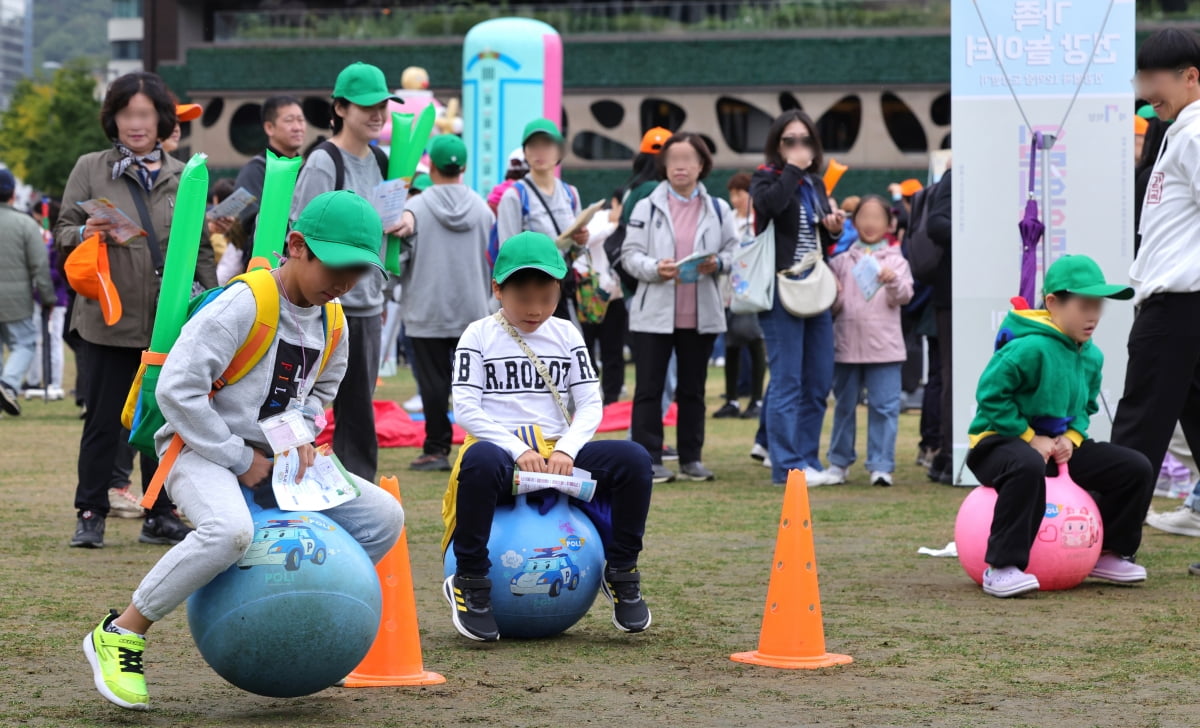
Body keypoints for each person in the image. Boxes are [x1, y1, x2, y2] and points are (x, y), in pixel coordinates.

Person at [81, 190, 404, 710]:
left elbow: (321, 394)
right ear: (297, 246)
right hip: (199, 446)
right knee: (229, 532)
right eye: (337, 267)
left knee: (384, 516)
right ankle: (121, 631)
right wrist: (240, 458)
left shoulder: (334, 320)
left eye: (360, 273)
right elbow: (177, 392)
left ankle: (316, 612)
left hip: (274, 459)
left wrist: (297, 436)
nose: (345, 283)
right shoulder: (244, 302)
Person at [441, 231, 653, 642]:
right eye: (523, 298)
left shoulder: (568, 334)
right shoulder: (478, 334)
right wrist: (518, 450)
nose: (536, 309)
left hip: (558, 458)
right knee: (480, 460)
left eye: (546, 296)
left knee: (633, 459)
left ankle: (622, 570)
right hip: (503, 457)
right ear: (497, 289)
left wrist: (569, 450)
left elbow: (591, 402)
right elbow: (466, 407)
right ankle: (470, 580)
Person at [56, 71, 217, 549]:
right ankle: (91, 511)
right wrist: (85, 234)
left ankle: (160, 511)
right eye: (127, 113)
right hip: (107, 320)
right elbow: (63, 228)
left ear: (161, 119)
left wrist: (211, 298)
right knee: (104, 422)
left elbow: (202, 248)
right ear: (114, 118)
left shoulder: (184, 173)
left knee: (163, 420)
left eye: (145, 114)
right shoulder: (90, 167)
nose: (135, 123)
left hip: (168, 324)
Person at [967, 256, 1153, 598]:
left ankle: (1109, 553)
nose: (1093, 315)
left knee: (1135, 468)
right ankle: (1002, 567)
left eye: (1098, 305)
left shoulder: (1091, 355)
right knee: (1026, 463)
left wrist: (1071, 437)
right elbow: (990, 397)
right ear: (1053, 302)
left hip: (1056, 449)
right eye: (1084, 305)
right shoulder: (1028, 347)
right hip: (996, 444)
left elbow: (1085, 408)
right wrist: (1028, 437)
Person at [290, 61, 404, 483]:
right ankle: (293, 484)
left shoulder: (381, 159)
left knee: (359, 408)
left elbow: (387, 219)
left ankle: (357, 491)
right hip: (324, 306)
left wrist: (405, 221)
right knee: (303, 401)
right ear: (339, 108)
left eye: (383, 106)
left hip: (366, 302)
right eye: (366, 106)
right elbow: (301, 232)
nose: (377, 115)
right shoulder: (323, 161)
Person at [1112, 29, 1200, 535]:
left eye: (1154, 80)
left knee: (1140, 424)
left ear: (1191, 77)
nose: (1146, 94)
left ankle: (1109, 542)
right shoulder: (1179, 131)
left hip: (1176, 308)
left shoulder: (1191, 134)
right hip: (1182, 305)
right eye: (1141, 80)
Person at [622, 133, 738, 484]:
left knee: (693, 389)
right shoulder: (646, 205)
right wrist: (656, 268)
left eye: (688, 159)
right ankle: (649, 458)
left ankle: (691, 457)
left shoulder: (718, 208)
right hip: (653, 314)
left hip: (699, 313)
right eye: (673, 160)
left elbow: (736, 253)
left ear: (702, 165)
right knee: (648, 388)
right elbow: (629, 255)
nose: (680, 166)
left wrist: (717, 263)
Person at [751, 110, 844, 487]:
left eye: (804, 140)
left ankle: (806, 459)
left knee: (818, 381)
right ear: (777, 144)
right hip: (780, 290)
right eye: (789, 140)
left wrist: (833, 229)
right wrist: (791, 169)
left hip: (814, 288)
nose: (798, 147)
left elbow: (820, 241)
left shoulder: (815, 184)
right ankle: (787, 466)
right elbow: (769, 207)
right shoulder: (766, 177)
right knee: (787, 380)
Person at [393, 134, 495, 472]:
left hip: (426, 309)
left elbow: (400, 258)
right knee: (478, 385)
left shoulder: (416, 208)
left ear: (431, 166)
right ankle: (483, 447)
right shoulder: (482, 209)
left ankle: (436, 449)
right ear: (463, 167)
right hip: (474, 310)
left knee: (433, 386)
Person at [825, 196, 914, 487]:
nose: (870, 223)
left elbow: (904, 297)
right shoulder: (840, 262)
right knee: (844, 406)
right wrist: (834, 293)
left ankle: (881, 465)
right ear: (853, 222)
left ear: (889, 224)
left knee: (885, 408)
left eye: (877, 217)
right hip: (847, 345)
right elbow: (833, 306)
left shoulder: (897, 261)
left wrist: (893, 281)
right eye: (864, 217)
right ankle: (839, 462)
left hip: (885, 347)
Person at [495, 118, 589, 320]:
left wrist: (581, 241)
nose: (540, 152)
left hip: (564, 289)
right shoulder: (515, 196)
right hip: (530, 292)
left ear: (559, 151)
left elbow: (577, 252)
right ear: (525, 152)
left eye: (546, 145)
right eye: (533, 146)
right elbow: (507, 252)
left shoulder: (570, 193)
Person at [0, 169, 55, 415]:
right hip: (16, 299)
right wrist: (47, 297)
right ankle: (8, 384)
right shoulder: (25, 224)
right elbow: (39, 266)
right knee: (24, 343)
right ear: (13, 193)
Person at [713, 172, 767, 421]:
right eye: (732, 193)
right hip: (728, 289)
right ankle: (732, 398)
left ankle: (756, 398)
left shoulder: (759, 220)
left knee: (754, 340)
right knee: (732, 343)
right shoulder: (729, 219)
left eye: (740, 193)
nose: (735, 199)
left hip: (751, 288)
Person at [231, 95, 308, 256]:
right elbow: (250, 223)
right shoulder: (255, 171)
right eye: (289, 120)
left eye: (301, 120)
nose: (297, 127)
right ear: (269, 128)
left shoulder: (307, 168)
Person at [579, 192, 628, 405]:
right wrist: (612, 225)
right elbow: (588, 239)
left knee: (613, 350)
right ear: (615, 203)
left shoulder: (628, 226)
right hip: (590, 295)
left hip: (615, 297)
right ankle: (590, 396)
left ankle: (612, 398)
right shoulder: (598, 218)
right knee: (586, 349)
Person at [925, 164, 955, 483]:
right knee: (952, 375)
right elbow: (936, 223)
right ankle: (949, 453)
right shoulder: (959, 172)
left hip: (1005, 291)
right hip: (955, 296)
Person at [22, 199, 68, 401]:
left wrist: (44, 286)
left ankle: (53, 382)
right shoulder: (41, 237)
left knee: (54, 340)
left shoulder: (54, 239)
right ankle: (35, 380)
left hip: (56, 298)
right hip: (38, 296)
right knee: (37, 340)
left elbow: (56, 271)